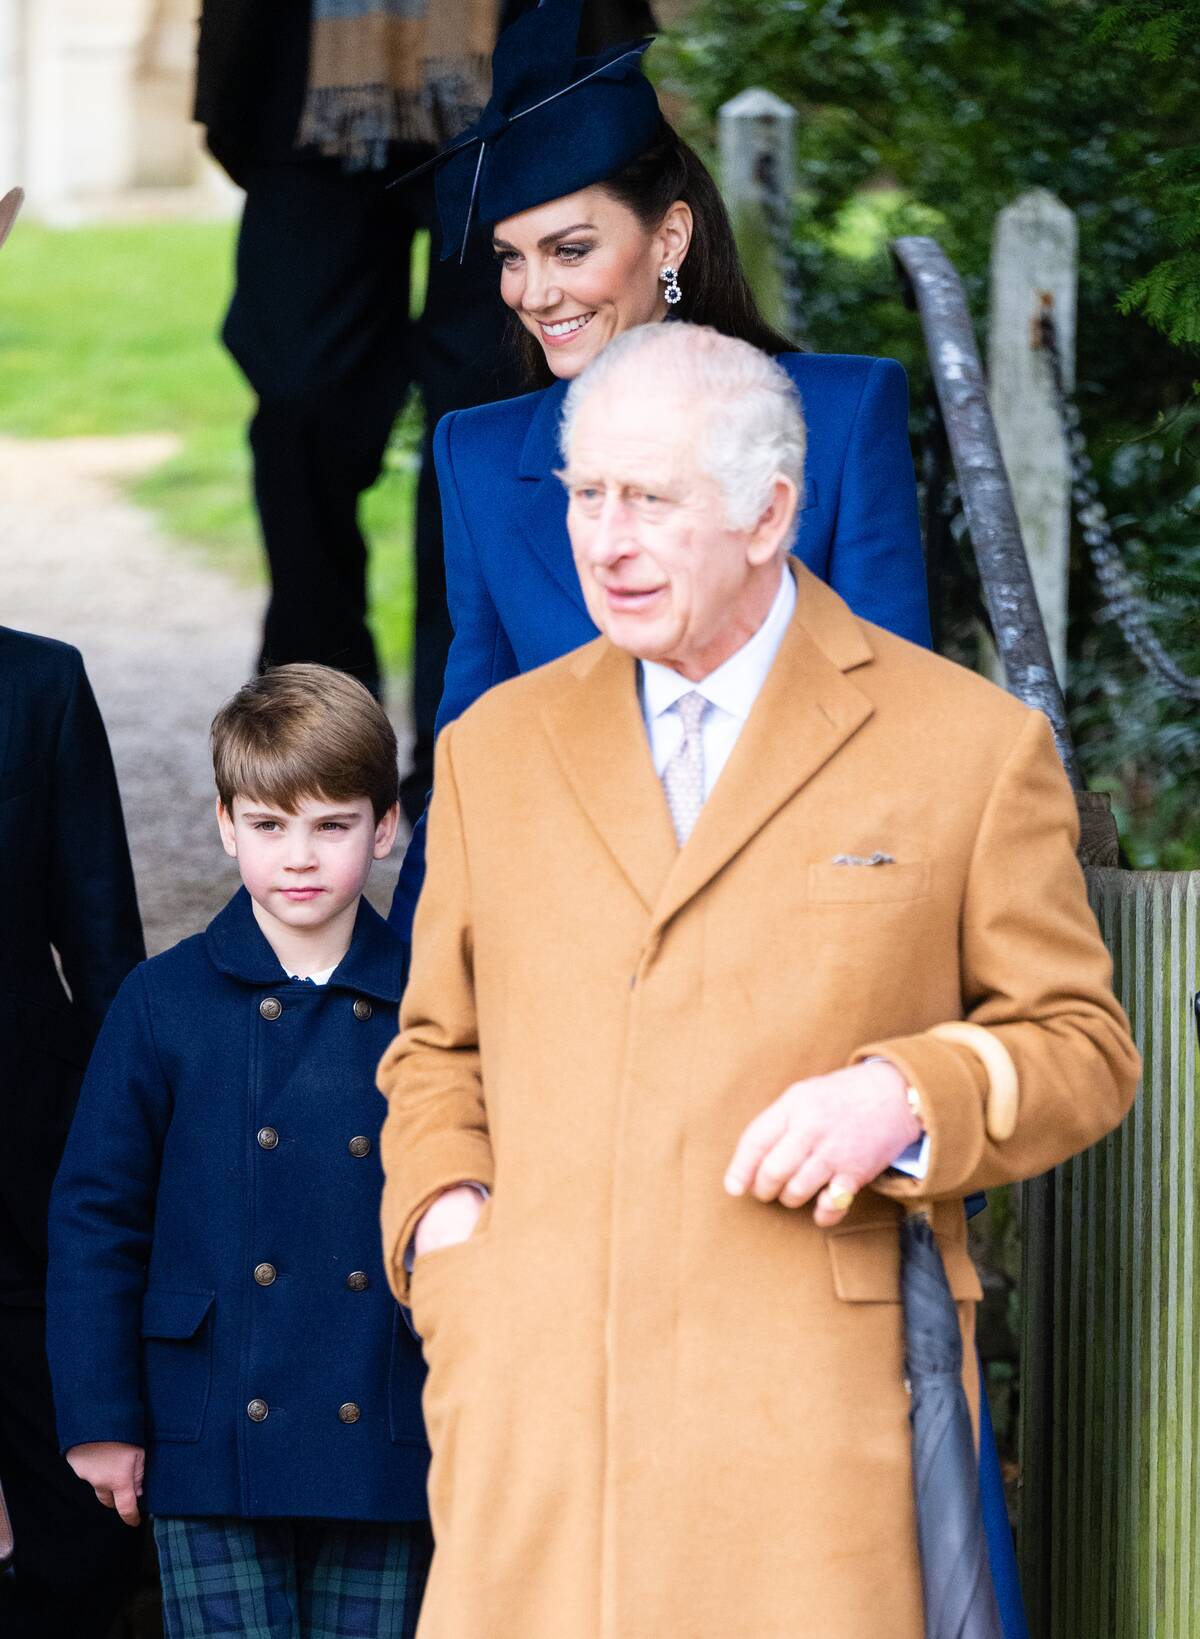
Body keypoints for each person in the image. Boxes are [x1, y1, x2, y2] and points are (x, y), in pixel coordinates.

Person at [376, 324, 1140, 1638]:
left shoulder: (969, 743)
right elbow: (435, 1044)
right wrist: (451, 1234)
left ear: (770, 512)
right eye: (588, 493)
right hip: (534, 1413)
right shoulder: (492, 747)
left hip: (812, 1424)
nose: (605, 541)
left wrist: (909, 1091)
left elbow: (1082, 1042)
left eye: (653, 500)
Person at [387, 0, 930, 935]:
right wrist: (403, 999)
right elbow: (472, 760)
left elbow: (899, 715)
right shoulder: (475, 458)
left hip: (801, 930)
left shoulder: (841, 418)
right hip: (570, 939)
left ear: (669, 239)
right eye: (512, 260)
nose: (536, 293)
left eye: (571, 249)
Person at [195, 0, 655, 821]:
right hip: (308, 94)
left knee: (487, 411)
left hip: (507, 94)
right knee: (300, 395)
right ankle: (314, 721)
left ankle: (466, 734)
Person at [46, 665, 431, 1639]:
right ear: (225, 824)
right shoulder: (160, 1001)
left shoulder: (433, 1006)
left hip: (387, 1424)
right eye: (268, 824)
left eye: (331, 824)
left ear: (384, 827)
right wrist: (100, 1417)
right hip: (210, 1422)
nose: (298, 856)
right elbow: (96, 1215)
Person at [0, 628, 146, 1637]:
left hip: (20, 1119)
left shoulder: (42, 680)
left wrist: (129, 1136)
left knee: (47, 1380)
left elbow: (100, 933)